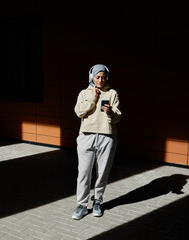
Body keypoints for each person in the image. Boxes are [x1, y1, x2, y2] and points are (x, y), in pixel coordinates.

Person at [72, 64, 121, 220]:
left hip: (107, 136)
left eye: (103, 77)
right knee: (84, 173)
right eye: (97, 77)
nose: (100, 80)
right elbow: (79, 112)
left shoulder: (112, 93)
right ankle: (81, 205)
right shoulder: (84, 93)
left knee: (102, 172)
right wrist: (93, 98)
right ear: (91, 76)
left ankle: (97, 202)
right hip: (86, 136)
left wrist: (110, 112)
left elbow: (118, 117)